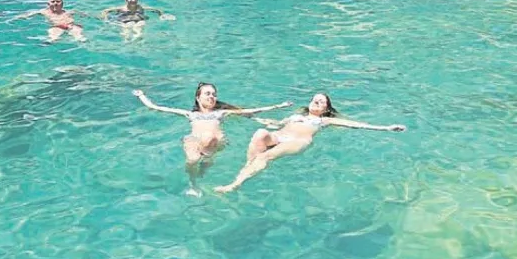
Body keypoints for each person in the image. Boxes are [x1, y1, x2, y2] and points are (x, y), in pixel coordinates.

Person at [214, 93, 405, 194]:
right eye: (315, 99)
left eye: (321, 102)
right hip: (279, 135)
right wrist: (254, 118)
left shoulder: (324, 120)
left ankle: (235, 184)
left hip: (298, 141)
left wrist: (386, 128)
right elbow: (275, 124)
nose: (317, 101)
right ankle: (247, 170)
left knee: (265, 156)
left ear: (325, 109)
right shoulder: (295, 116)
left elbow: (354, 124)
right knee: (260, 133)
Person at [132, 84, 291, 196]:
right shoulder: (190, 114)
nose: (212, 97)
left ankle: (204, 167)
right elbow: (157, 107)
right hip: (194, 140)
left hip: (214, 142)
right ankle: (193, 185)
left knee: (211, 139)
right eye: (207, 94)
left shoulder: (221, 113)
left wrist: (278, 106)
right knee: (193, 160)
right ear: (198, 97)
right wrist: (141, 96)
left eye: (214, 94)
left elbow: (249, 111)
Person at [100, 0, 175, 41]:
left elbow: (156, 10)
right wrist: (105, 19)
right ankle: (127, 41)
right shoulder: (122, 9)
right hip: (124, 22)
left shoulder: (141, 8)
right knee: (127, 29)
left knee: (141, 24)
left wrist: (161, 16)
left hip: (139, 21)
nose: (133, 0)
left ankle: (138, 40)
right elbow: (105, 11)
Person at [12, 0, 86, 42]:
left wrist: (88, 15)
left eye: (58, 1)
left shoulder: (68, 12)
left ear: (62, 3)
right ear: (48, 4)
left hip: (71, 26)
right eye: (53, 2)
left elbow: (82, 14)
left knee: (81, 38)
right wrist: (18, 17)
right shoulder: (44, 12)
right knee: (52, 39)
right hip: (57, 27)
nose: (55, 3)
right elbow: (30, 14)